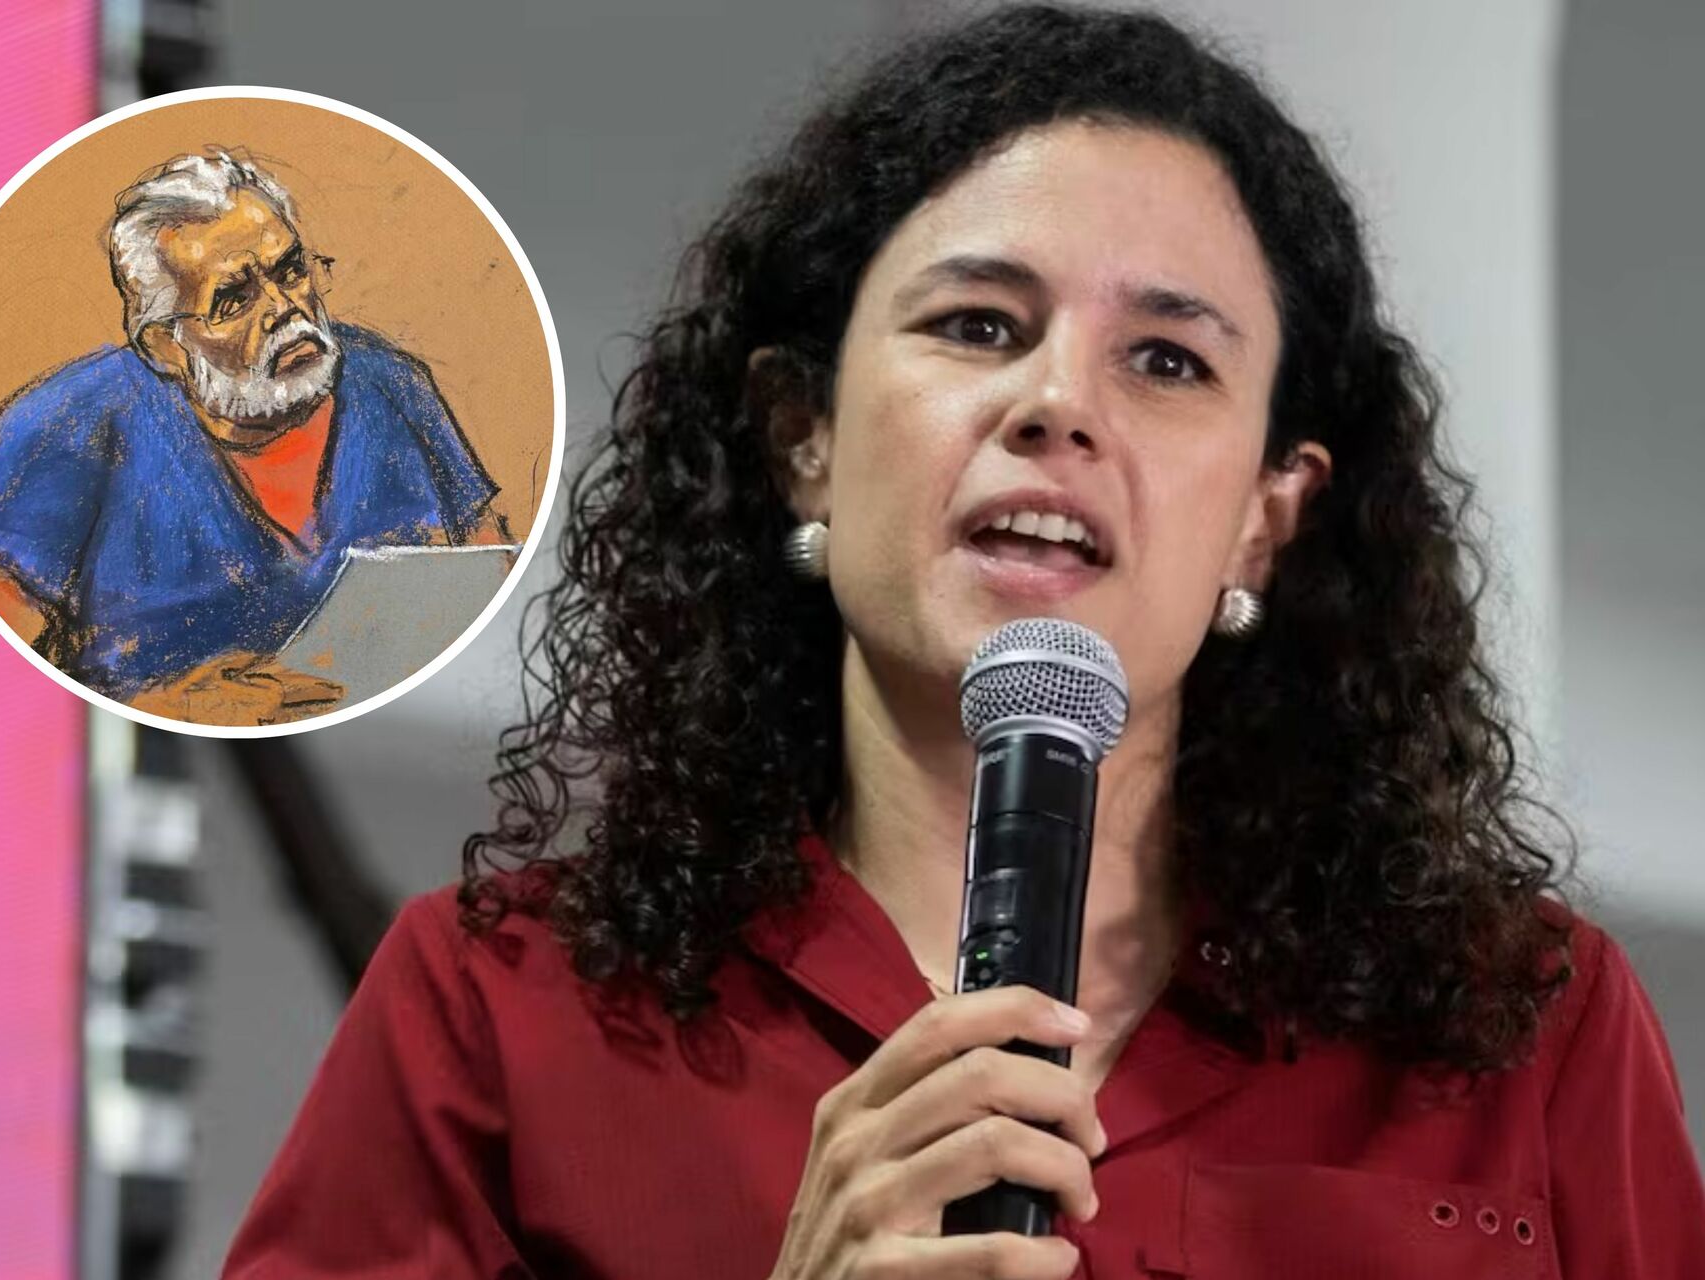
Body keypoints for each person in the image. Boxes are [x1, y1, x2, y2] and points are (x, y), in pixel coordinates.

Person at [222, 6, 1705, 1276]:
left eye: (1167, 359)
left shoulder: (1527, 1029)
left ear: (1267, 519)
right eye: (981, 325)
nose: (1060, 405)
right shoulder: (501, 1009)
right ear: (803, 438)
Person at [0, 150, 504, 725]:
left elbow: (494, 584)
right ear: (164, 345)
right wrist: (160, 711)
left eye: (290, 271)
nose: (284, 310)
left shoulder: (390, 384)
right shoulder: (67, 427)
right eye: (233, 299)